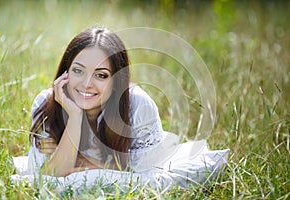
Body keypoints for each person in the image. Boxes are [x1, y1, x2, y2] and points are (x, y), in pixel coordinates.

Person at [13, 27, 229, 191]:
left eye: (101, 75)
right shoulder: (46, 103)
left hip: (149, 159)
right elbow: (48, 176)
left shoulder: (138, 106)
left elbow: (144, 179)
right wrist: (75, 117)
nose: (87, 84)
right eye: (78, 71)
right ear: (66, 72)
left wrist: (80, 162)